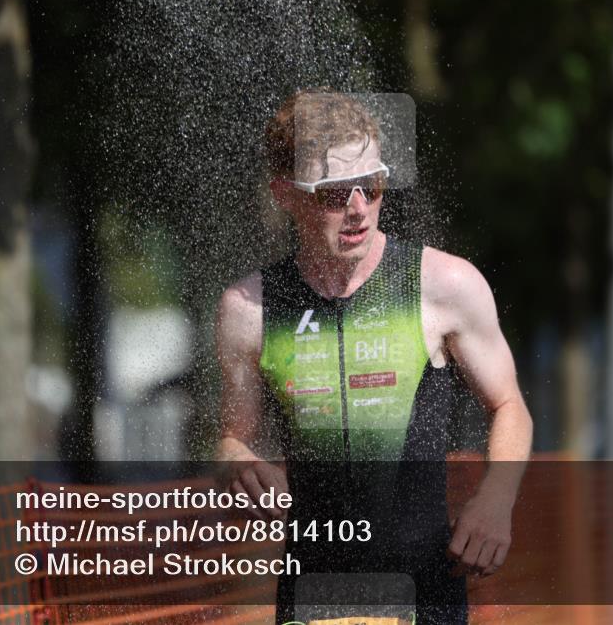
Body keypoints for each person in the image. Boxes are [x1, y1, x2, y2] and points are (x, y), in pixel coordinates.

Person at [215, 90, 533, 624]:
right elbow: (233, 436)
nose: (359, 207)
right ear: (285, 195)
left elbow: (509, 405)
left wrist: (496, 498)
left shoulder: (444, 285)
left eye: (373, 184)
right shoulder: (249, 310)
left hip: (425, 592)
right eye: (334, 193)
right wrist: (234, 462)